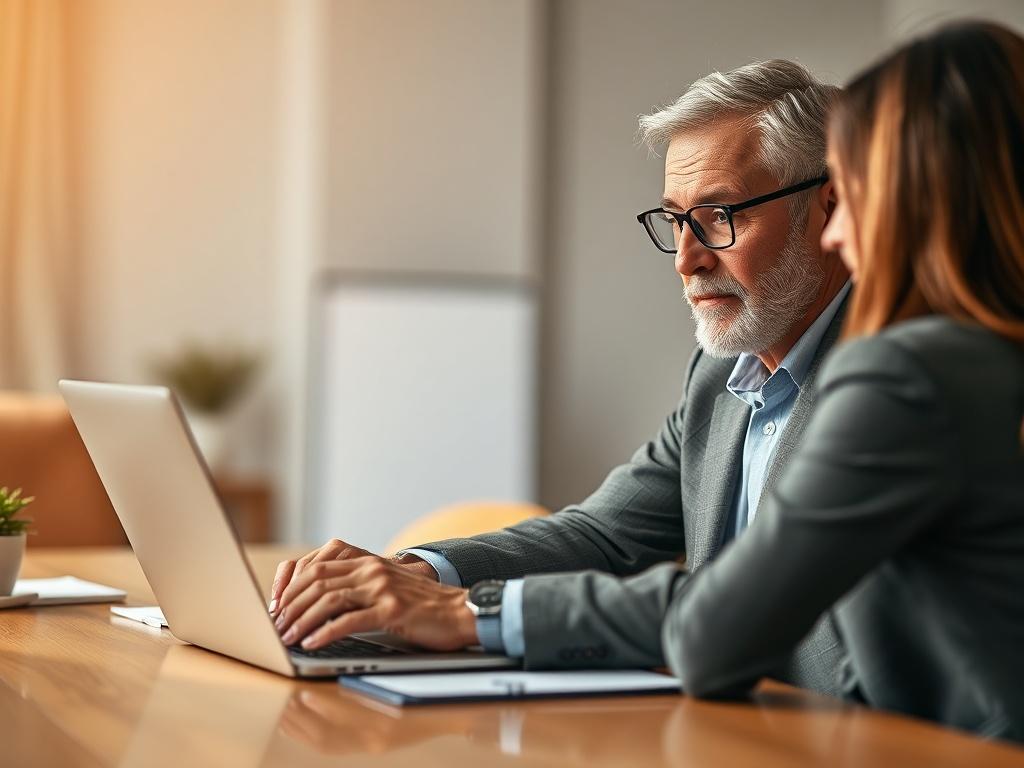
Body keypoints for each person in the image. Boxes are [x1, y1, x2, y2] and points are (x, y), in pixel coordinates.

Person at [271, 59, 854, 694]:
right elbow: (605, 534)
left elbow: (744, 607)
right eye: (676, 220)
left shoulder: (891, 380)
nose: (686, 259)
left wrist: (465, 614)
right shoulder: (720, 377)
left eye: (719, 217)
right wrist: (421, 573)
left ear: (826, 209)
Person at [660, 21, 1024, 742]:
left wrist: (488, 615)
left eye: (854, 192)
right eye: (676, 223)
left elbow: (716, 636)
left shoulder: (911, 374)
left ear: (913, 197)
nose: (834, 234)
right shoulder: (981, 362)